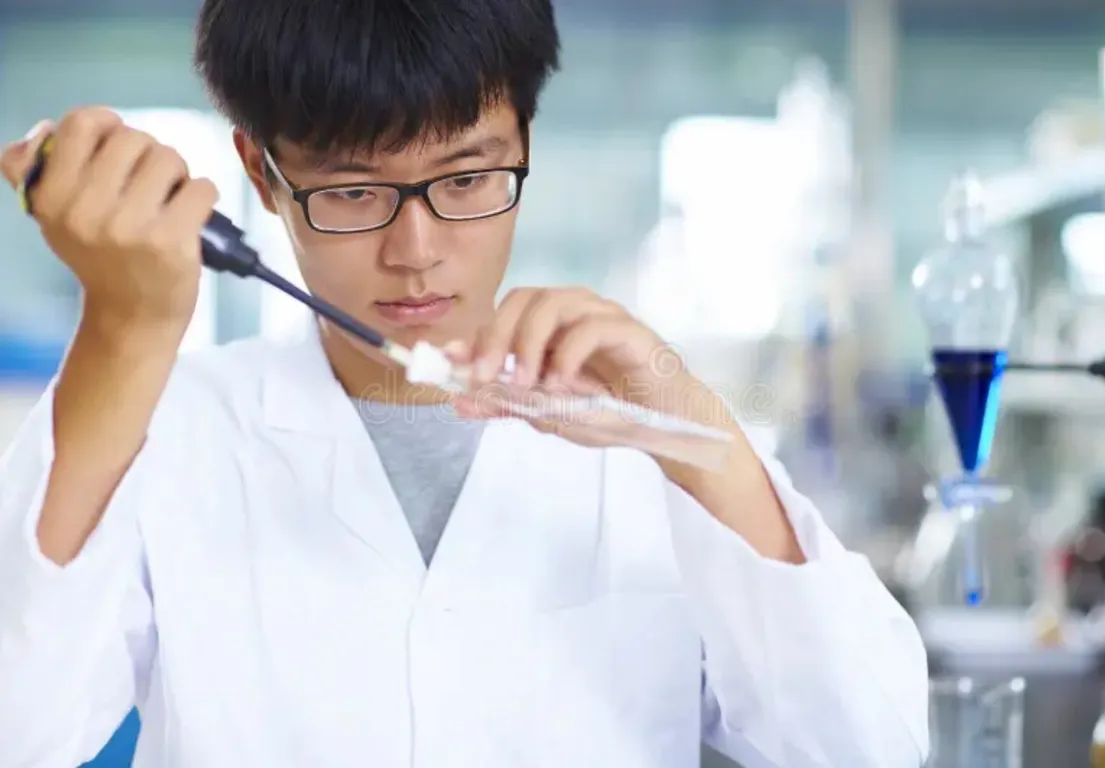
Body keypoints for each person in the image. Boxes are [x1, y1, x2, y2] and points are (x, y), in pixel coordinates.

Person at [0, 2, 929, 766]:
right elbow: (23, 731)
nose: (417, 252)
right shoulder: (169, 424)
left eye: (468, 176)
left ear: (526, 135)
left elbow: (867, 746)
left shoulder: (652, 427)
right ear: (262, 173)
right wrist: (124, 333)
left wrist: (701, 440)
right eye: (354, 190)